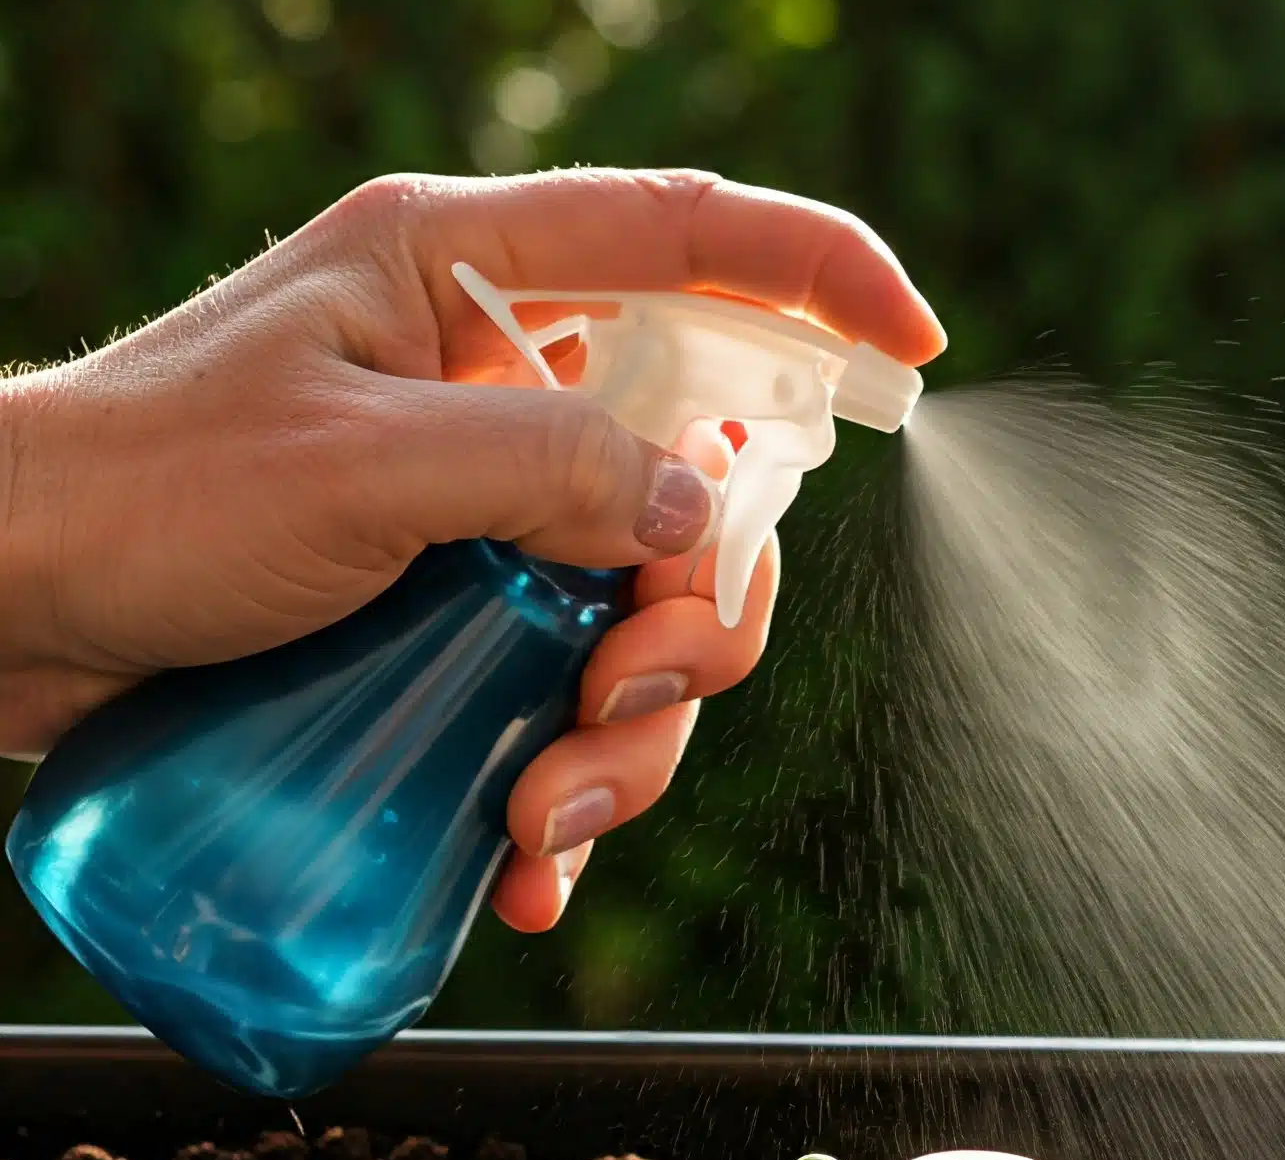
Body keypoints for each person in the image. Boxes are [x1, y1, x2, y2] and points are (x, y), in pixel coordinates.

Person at [0, 167, 946, 931]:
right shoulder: (440, 514)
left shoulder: (508, 548)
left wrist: (43, 514)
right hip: (105, 846)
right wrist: (52, 493)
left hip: (93, 825)